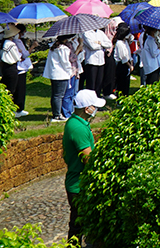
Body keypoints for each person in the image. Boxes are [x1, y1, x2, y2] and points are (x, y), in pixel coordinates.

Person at [63, 89, 105, 246]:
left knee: (77, 225)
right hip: (78, 186)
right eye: (94, 106)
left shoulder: (76, 122)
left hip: (77, 183)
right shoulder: (78, 128)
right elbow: (88, 159)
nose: (96, 109)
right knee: (78, 226)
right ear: (87, 108)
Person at [44, 34, 74, 122]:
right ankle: (57, 115)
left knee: (55, 95)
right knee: (58, 95)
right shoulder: (63, 49)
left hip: (54, 74)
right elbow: (65, 62)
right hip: (61, 74)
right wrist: (70, 69)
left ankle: (57, 113)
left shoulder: (54, 47)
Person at [12, 24, 35, 117]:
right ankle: (18, 108)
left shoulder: (19, 41)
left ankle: (20, 107)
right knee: (19, 89)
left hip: (23, 68)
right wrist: (32, 47)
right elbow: (24, 55)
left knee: (21, 89)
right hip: (19, 68)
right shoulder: (15, 41)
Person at [82, 25, 112, 93]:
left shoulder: (100, 33)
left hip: (101, 60)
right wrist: (102, 46)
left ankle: (97, 96)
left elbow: (109, 44)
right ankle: (90, 98)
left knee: (99, 81)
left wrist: (100, 43)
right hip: (91, 60)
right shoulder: (86, 33)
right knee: (91, 82)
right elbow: (92, 46)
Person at [112, 23, 133, 97]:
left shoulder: (125, 42)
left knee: (126, 83)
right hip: (122, 64)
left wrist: (131, 62)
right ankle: (120, 98)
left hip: (127, 63)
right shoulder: (119, 43)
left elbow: (128, 53)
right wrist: (129, 65)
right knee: (121, 82)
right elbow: (123, 57)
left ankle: (125, 95)